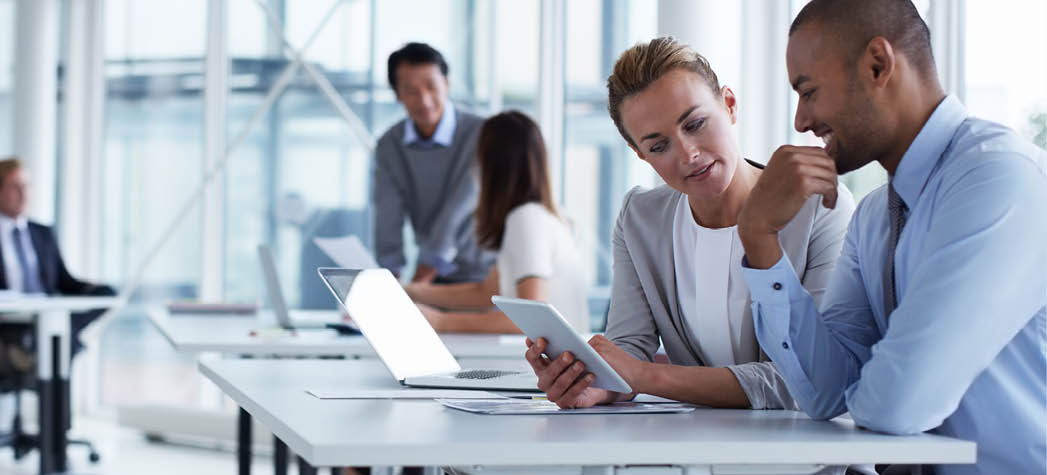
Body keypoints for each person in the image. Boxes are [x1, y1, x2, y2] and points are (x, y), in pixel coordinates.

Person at [734, 1, 1047, 474]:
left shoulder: (998, 178)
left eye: (809, 91)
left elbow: (898, 405)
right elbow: (824, 393)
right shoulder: (877, 216)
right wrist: (759, 236)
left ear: (878, 65)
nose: (800, 121)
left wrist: (874, 385)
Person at [524, 38, 855, 411]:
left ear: (729, 105)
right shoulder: (640, 218)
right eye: (658, 146)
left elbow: (808, 379)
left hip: (812, 460)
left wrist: (645, 376)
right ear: (640, 154)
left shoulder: (819, 208)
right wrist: (597, 384)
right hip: (698, 451)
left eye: (695, 124)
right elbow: (628, 349)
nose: (688, 154)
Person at [406, 111, 589, 333]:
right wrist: (409, 291)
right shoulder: (546, 216)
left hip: (542, 364)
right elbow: (485, 292)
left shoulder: (526, 219)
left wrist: (440, 321)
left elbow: (531, 319)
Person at [373, 42, 494, 285]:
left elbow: (460, 206)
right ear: (397, 94)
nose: (424, 101)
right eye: (411, 90)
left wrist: (422, 277)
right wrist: (388, 281)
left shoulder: (482, 134)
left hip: (485, 274)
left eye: (431, 87)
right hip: (434, 278)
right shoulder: (389, 145)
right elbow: (388, 213)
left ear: (447, 84)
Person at [0, 158, 116, 358]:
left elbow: (63, 280)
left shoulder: (42, 233)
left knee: (107, 293)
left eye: (27, 186)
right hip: (9, 322)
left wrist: (96, 289)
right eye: (15, 187)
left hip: (46, 313)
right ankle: (54, 340)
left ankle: (54, 337)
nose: (23, 194)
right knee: (57, 345)